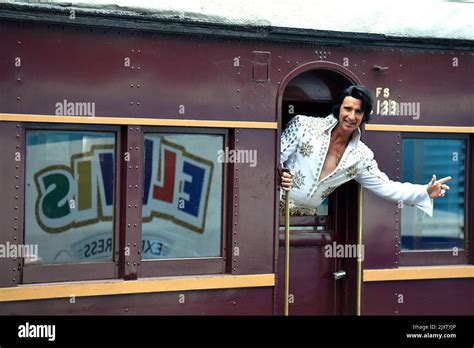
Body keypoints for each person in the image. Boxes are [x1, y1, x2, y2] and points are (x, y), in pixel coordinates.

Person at [279, 85, 450, 216]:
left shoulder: (361, 156)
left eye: (358, 111)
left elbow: (386, 187)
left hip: (307, 224)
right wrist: (283, 174)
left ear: (364, 116)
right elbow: (273, 158)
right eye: (347, 109)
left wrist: (425, 191)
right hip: (269, 212)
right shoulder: (304, 125)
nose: (351, 116)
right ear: (339, 108)